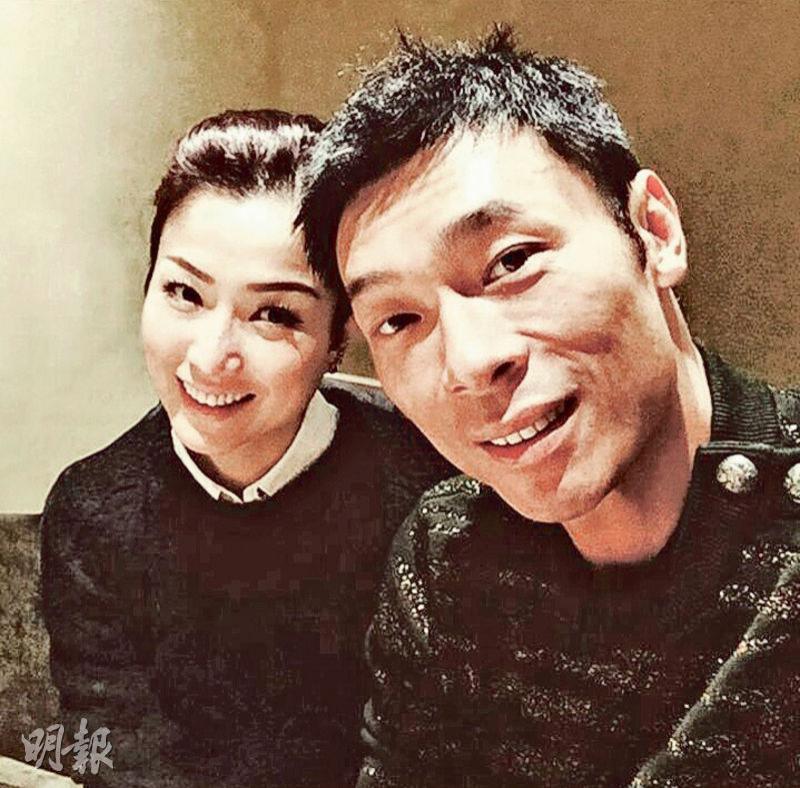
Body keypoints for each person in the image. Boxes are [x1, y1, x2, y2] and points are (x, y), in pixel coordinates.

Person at [298, 27, 800, 788]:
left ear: (654, 231)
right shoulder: (448, 554)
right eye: (398, 320)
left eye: (511, 261)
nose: (470, 363)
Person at [40, 109, 452, 788]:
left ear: (338, 338)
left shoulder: (432, 488)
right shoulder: (92, 512)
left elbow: (444, 748)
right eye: (184, 293)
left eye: (275, 314)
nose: (211, 358)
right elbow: (110, 745)